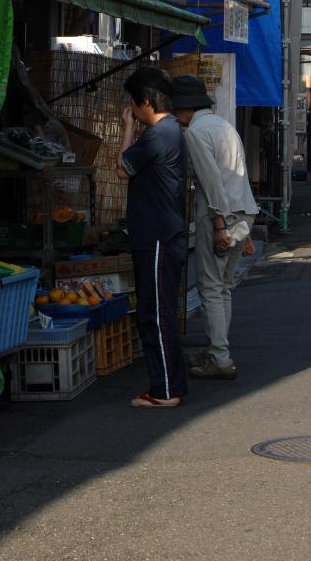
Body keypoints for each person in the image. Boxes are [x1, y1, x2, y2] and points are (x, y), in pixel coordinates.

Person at [171, 74, 259, 382]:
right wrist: (244, 232)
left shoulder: (195, 132)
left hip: (221, 215)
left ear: (184, 107)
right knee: (223, 286)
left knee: (210, 287)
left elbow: (211, 182)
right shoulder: (224, 125)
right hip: (244, 212)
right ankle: (217, 352)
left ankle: (220, 357)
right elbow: (236, 176)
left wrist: (220, 224)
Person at [116, 66, 188, 408]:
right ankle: (167, 386)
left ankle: (165, 391)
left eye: (133, 104)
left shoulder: (158, 134)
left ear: (145, 101)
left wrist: (128, 128)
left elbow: (122, 168)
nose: (131, 109)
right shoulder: (171, 130)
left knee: (156, 314)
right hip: (162, 232)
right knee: (156, 312)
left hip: (158, 235)